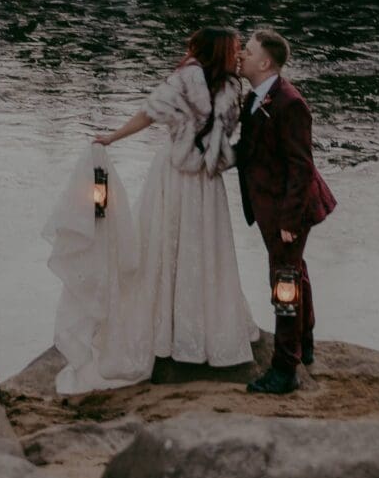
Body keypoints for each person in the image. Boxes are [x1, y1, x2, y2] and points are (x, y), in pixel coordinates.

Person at [44, 27, 258, 392]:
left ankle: (183, 333)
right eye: (236, 48)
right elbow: (162, 117)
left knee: (184, 250)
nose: (239, 54)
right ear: (222, 52)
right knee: (184, 250)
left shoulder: (209, 84)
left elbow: (159, 117)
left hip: (190, 178)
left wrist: (113, 136)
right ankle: (183, 333)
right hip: (191, 179)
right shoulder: (211, 84)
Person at [234, 27, 333, 395]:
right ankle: (304, 343)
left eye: (247, 50)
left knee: (284, 281)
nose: (240, 55)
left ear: (265, 62)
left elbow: (301, 167)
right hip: (270, 206)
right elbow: (249, 150)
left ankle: (284, 369)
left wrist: (290, 221)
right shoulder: (254, 98)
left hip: (289, 208)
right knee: (295, 271)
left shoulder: (290, 103)